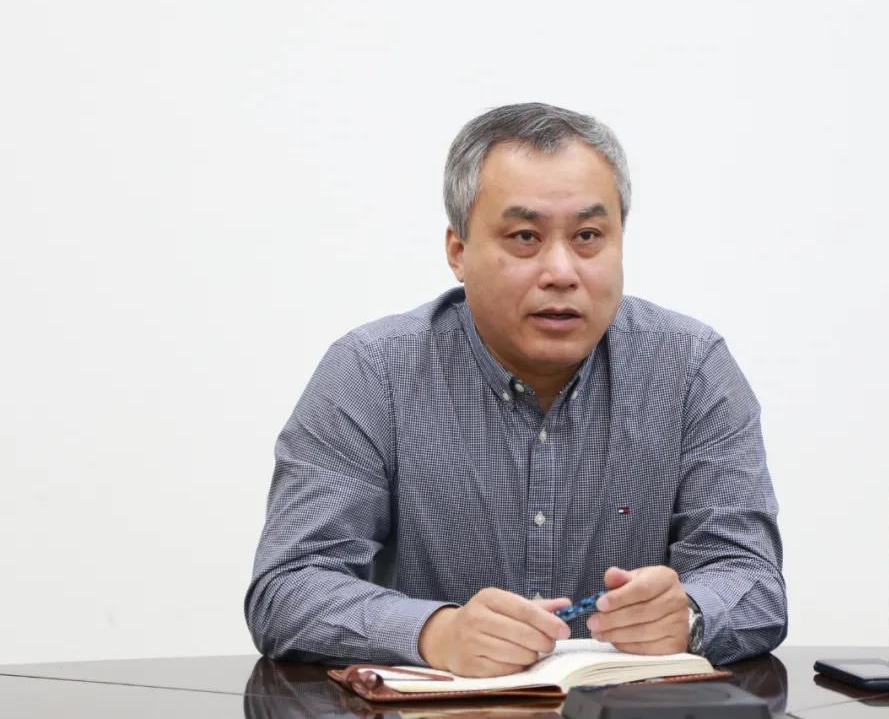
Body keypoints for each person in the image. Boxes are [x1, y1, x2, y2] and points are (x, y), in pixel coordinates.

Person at [244, 102, 786, 675]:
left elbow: (752, 578)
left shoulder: (692, 368)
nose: (561, 272)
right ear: (458, 252)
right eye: (525, 237)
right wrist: (436, 632)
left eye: (588, 236)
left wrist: (691, 615)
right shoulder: (372, 373)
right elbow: (288, 587)